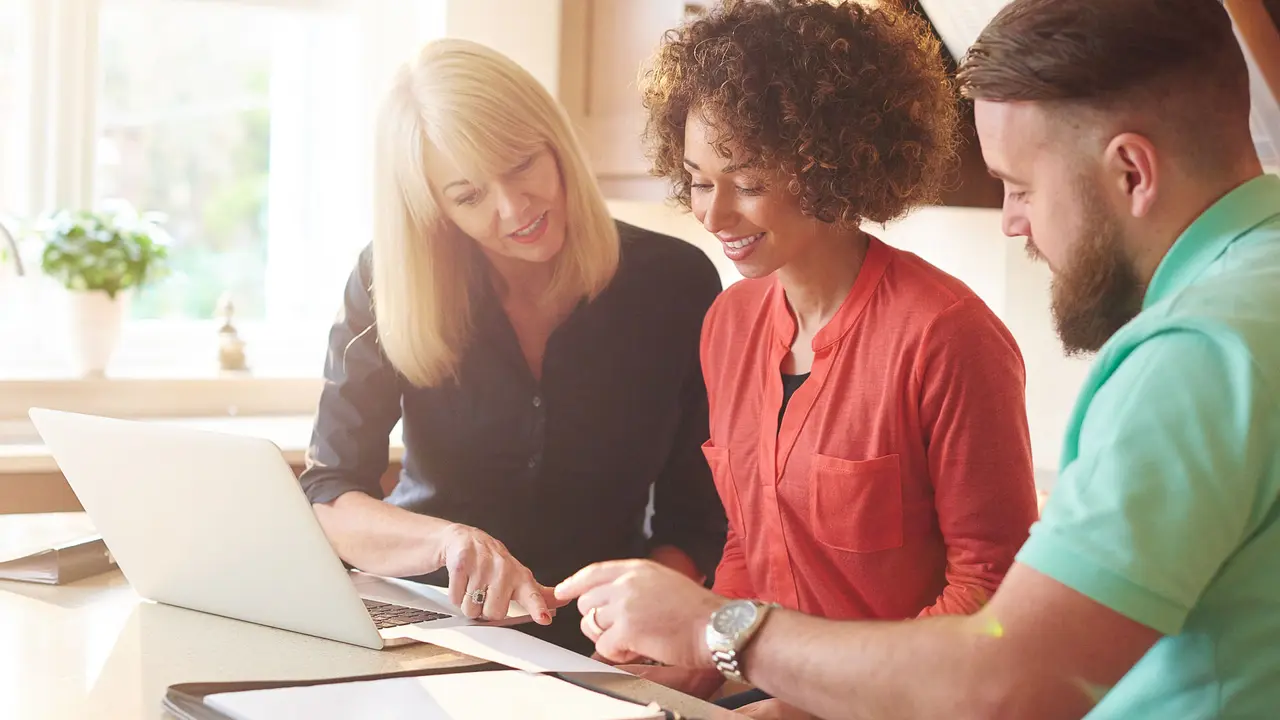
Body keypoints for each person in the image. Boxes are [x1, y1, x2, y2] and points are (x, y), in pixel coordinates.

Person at [557, 0, 1280, 716]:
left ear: (1132, 171)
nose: (1011, 221)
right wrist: (703, 659)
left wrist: (713, 630)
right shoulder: (1254, 297)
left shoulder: (1193, 357)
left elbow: (1004, 676)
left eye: (1022, 186)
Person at [609, 0, 1039, 708]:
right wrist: (691, 665)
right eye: (697, 178)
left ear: (830, 167)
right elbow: (752, 550)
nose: (713, 216)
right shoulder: (729, 325)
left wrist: (813, 704)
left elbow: (990, 597)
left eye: (747, 183)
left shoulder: (947, 336)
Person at [297, 38, 727, 656]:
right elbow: (331, 494)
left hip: (599, 632)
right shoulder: (388, 277)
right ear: (434, 208)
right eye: (468, 195)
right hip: (424, 617)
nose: (514, 209)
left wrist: (646, 622)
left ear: (554, 141)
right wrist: (448, 543)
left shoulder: (675, 282)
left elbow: (696, 516)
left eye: (521, 164)